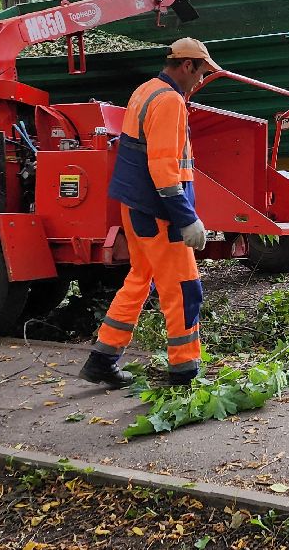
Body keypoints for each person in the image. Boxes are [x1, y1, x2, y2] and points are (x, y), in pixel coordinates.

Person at [81, 37, 219, 388]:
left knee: (140, 279)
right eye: (201, 73)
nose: (201, 81)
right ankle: (185, 371)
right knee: (184, 288)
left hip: (137, 206)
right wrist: (185, 217)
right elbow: (162, 167)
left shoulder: (146, 90)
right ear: (187, 66)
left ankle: (102, 359)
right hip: (160, 211)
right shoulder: (170, 101)